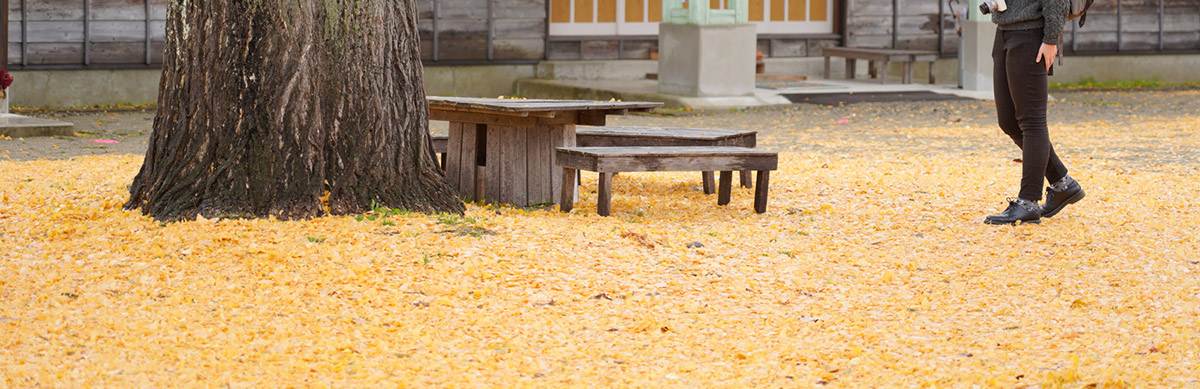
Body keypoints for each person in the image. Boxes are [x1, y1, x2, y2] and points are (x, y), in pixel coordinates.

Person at [984, 0, 1086, 225]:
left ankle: (1028, 202)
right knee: (1009, 122)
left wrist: (1050, 39)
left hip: (1031, 35)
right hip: (1004, 31)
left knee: (1032, 121)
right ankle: (1063, 184)